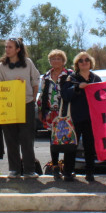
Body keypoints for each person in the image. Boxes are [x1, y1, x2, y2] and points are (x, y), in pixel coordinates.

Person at [0, 37, 40, 178]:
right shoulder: (2, 66)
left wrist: (32, 97)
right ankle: (14, 169)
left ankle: (29, 170)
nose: (7, 49)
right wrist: (11, 85)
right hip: (8, 106)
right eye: (6, 47)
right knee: (10, 137)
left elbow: (35, 81)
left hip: (26, 104)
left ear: (18, 49)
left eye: (10, 47)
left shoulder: (28, 63)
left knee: (26, 138)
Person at [60, 51, 102, 183]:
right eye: (81, 61)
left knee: (90, 147)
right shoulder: (71, 78)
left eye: (87, 60)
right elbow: (65, 95)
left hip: (91, 118)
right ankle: (68, 172)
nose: (84, 62)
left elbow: (102, 97)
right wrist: (77, 88)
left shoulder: (96, 79)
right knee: (71, 146)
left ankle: (90, 173)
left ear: (91, 63)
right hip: (75, 118)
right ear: (77, 64)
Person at [39, 49, 73, 180]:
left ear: (63, 61)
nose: (56, 61)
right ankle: (55, 167)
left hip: (66, 112)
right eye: (53, 59)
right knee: (53, 141)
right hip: (50, 113)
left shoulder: (69, 74)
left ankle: (67, 168)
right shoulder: (46, 76)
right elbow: (42, 95)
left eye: (59, 58)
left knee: (67, 140)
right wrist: (41, 110)